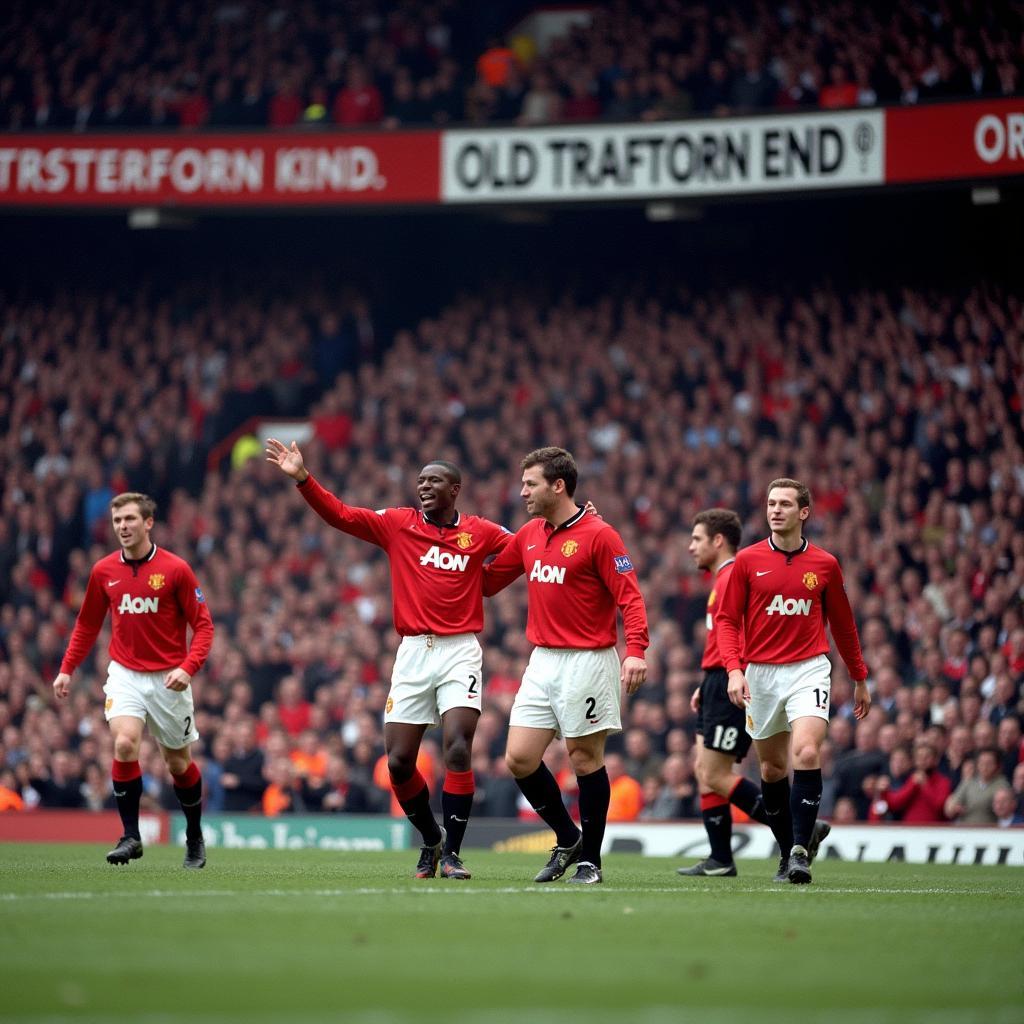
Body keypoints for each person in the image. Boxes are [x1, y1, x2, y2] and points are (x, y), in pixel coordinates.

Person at [266, 438, 511, 880]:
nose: (422, 487)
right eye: (419, 480)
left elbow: (525, 549)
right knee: (398, 762)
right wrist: (303, 478)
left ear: (455, 489)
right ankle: (431, 840)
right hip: (414, 652)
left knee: (457, 746)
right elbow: (341, 515)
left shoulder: (482, 532)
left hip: (459, 650)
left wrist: (489, 579)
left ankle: (453, 853)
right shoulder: (398, 523)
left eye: (433, 481)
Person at [482, 447, 648, 885]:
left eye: (530, 484)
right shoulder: (530, 534)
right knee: (518, 758)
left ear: (558, 486)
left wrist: (636, 650)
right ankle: (567, 836)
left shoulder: (601, 535)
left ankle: (590, 860)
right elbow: (489, 581)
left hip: (589, 660)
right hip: (543, 660)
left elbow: (629, 596)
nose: (522, 492)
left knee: (583, 758)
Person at [718, 478, 869, 884]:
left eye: (785, 503)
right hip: (761, 673)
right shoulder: (747, 562)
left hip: (809, 668)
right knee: (770, 768)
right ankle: (788, 851)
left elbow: (843, 623)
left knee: (805, 752)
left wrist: (859, 677)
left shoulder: (825, 564)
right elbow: (727, 621)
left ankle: (800, 850)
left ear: (804, 512)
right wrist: (734, 668)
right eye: (771, 503)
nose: (775, 510)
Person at [52, 492, 214, 868]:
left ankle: (193, 836)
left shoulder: (176, 570)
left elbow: (203, 626)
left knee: (177, 764)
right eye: (117, 521)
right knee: (124, 743)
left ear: (148, 523)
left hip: (169, 679)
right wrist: (66, 668)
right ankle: (131, 836)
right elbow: (87, 624)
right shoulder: (103, 571)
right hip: (124, 673)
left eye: (129, 519)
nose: (122, 527)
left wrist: (188, 667)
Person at [677, 508, 830, 878]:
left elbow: (752, 633)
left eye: (697, 539)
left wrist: (733, 674)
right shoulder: (724, 577)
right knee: (704, 770)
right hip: (719, 677)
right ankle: (720, 857)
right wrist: (710, 676)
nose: (690, 547)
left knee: (714, 773)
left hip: (738, 680)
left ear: (718, 541)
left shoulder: (738, 574)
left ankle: (800, 831)